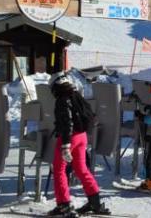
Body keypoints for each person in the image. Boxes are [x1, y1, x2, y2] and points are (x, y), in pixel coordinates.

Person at [49, 71, 110, 216]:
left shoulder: (62, 99)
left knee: (59, 170)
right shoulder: (76, 95)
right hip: (82, 136)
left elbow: (66, 122)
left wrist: (65, 145)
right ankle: (95, 202)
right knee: (81, 169)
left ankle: (64, 204)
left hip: (70, 137)